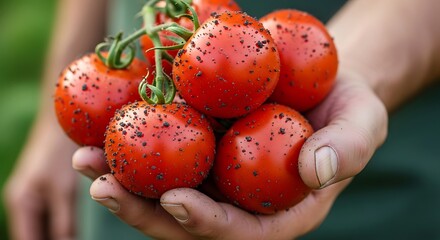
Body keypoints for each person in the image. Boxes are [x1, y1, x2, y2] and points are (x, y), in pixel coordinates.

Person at [3, 0, 440, 239]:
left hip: (380, 197)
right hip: (130, 175)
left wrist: (363, 69)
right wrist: (54, 121)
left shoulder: (210, 44)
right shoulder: (173, 51)